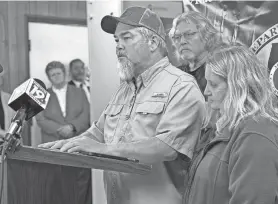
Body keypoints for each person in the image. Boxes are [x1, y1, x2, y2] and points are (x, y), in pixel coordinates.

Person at [39, 6, 206, 204]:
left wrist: (103, 148)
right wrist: (63, 147)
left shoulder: (181, 86)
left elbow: (166, 148)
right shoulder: (124, 89)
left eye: (127, 38)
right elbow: (98, 132)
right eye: (117, 40)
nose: (118, 46)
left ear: (153, 42)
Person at [183, 43, 278, 204]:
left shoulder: (255, 134)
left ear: (238, 86)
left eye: (213, 84)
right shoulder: (226, 127)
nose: (206, 91)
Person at [36, 61, 90, 143]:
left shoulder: (80, 92)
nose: (56, 77)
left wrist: (72, 127)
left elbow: (86, 114)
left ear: (64, 74)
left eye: (58, 73)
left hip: (77, 141)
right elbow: (40, 119)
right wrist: (60, 130)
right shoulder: (42, 95)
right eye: (53, 75)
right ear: (49, 78)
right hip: (52, 143)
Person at [169, 11, 221, 94]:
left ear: (206, 35)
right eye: (177, 37)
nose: (182, 41)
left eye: (189, 34)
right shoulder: (174, 74)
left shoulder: (220, 72)